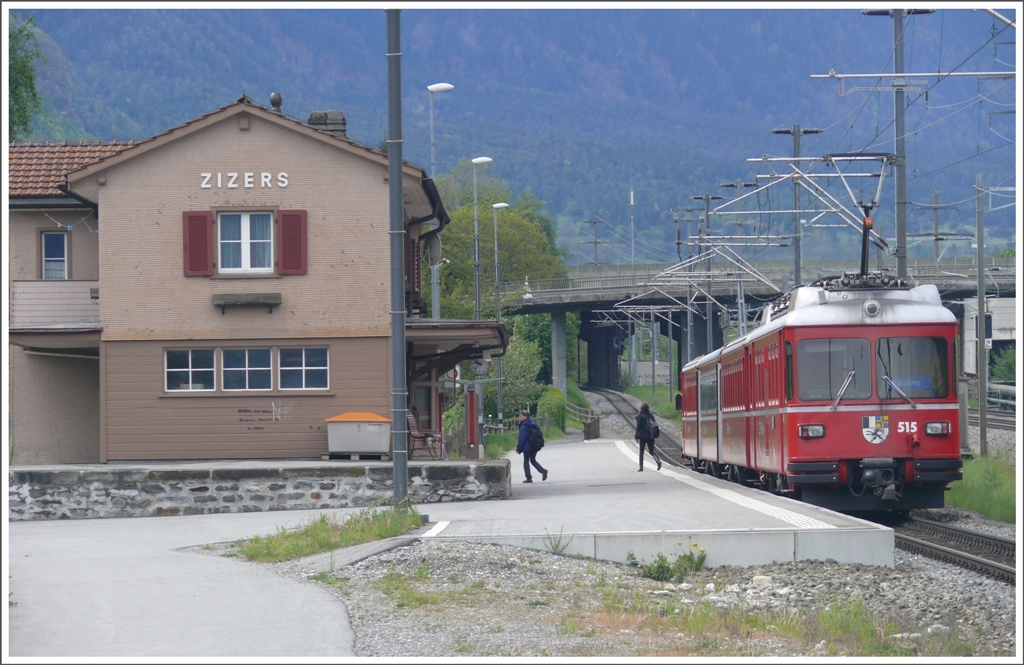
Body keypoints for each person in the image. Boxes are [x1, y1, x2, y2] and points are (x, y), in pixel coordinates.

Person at [516, 409, 548, 484]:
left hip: (527, 446)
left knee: (526, 461)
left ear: (525, 416)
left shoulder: (524, 425)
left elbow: (522, 438)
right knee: (533, 460)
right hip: (535, 445)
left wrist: (519, 448)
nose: (519, 418)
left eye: (521, 416)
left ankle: (528, 477)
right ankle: (542, 471)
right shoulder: (534, 423)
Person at [634, 403, 661, 472]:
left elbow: (638, 428)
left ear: (641, 409)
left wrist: (636, 437)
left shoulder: (640, 416)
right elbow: (654, 426)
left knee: (641, 452)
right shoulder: (651, 416)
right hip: (650, 436)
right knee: (651, 451)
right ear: (648, 408)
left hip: (643, 436)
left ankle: (641, 467)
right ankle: (658, 461)